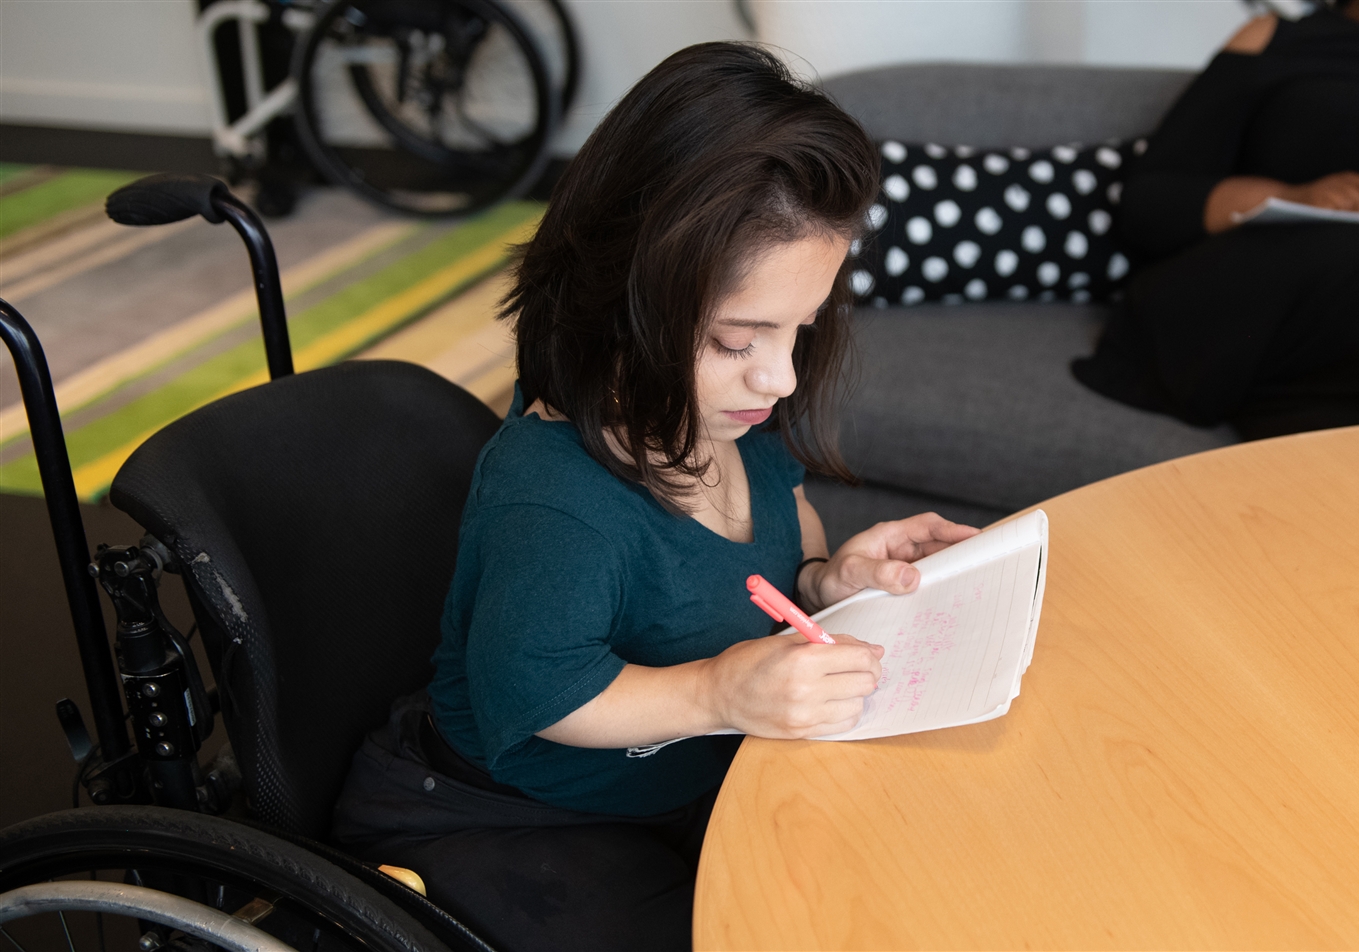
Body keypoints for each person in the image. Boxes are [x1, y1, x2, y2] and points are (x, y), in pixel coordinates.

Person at [331, 42, 979, 952]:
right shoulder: (552, 491)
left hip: (671, 784)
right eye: (737, 338)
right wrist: (722, 691)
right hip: (507, 815)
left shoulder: (726, 418)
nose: (784, 376)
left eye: (801, 327)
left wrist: (829, 582)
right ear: (622, 302)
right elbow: (543, 690)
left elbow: (770, 551)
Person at [1072, 0, 1359, 440]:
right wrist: (1290, 195)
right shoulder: (1275, 36)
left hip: (1346, 336)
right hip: (1244, 286)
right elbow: (1149, 201)